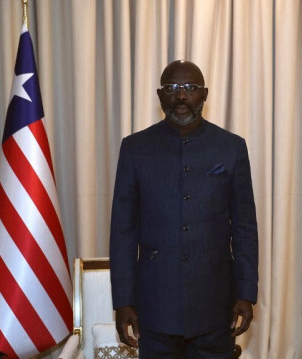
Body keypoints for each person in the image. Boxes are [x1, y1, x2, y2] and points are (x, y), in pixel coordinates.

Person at [109, 60, 258, 358]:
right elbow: (123, 231)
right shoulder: (135, 148)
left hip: (216, 305)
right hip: (154, 307)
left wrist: (245, 291)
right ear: (159, 95)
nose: (181, 96)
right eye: (172, 88)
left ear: (203, 94)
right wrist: (123, 300)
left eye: (190, 88)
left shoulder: (231, 147)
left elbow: (244, 227)